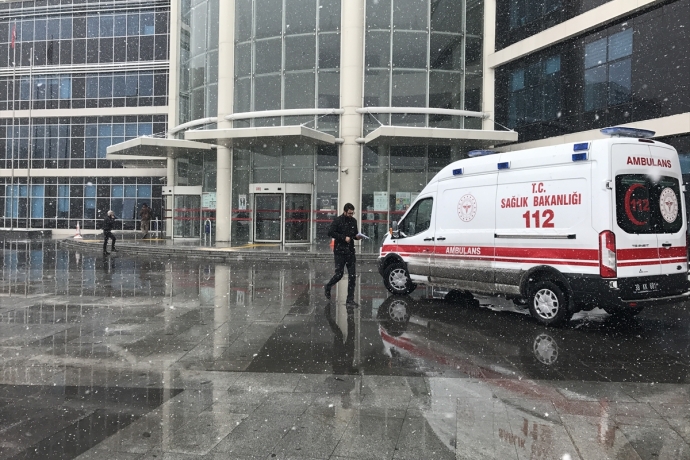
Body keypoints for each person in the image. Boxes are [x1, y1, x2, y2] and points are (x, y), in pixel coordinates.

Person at [324, 203, 361, 306]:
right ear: (344, 212)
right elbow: (330, 232)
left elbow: (354, 234)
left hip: (350, 251)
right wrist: (343, 238)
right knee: (339, 274)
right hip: (339, 251)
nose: (351, 215)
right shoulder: (338, 220)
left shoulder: (354, 221)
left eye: (352, 213)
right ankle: (328, 286)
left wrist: (357, 237)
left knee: (352, 276)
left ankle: (350, 299)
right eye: (349, 213)